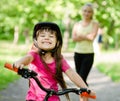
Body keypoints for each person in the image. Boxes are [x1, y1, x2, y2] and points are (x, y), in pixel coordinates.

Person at [12, 22, 96, 101]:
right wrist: (19, 63)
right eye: (42, 35)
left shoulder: (59, 59)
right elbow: (27, 58)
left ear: (57, 42)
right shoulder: (34, 55)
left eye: (51, 36)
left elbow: (72, 74)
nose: (46, 38)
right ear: (36, 40)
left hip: (53, 98)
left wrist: (86, 88)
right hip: (33, 98)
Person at [72, 3, 99, 86]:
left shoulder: (95, 24)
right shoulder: (77, 24)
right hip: (77, 53)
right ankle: (84, 97)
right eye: (85, 11)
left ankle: (84, 98)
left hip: (88, 54)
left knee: (82, 78)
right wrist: (86, 36)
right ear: (82, 12)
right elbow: (74, 38)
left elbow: (92, 38)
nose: (87, 13)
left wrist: (80, 36)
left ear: (92, 13)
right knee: (79, 80)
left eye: (89, 11)